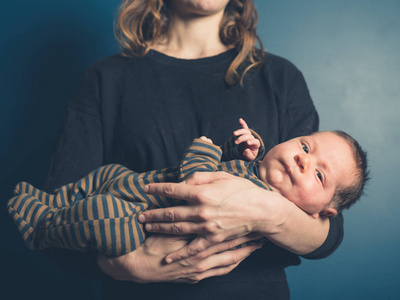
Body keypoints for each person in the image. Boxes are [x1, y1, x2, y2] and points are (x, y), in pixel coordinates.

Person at [37, 0, 347, 298]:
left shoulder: (280, 78)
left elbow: (327, 230)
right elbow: (49, 221)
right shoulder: (105, 79)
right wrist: (129, 266)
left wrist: (267, 213)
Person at [8, 119, 368, 258]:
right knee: (104, 174)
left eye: (320, 176)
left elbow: (197, 184)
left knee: (100, 217)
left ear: (323, 212)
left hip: (138, 223)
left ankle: (42, 227)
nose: (304, 160)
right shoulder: (252, 168)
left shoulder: (265, 202)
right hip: (134, 183)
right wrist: (233, 149)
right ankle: (53, 203)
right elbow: (231, 167)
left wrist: (206, 149)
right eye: (305, 146)